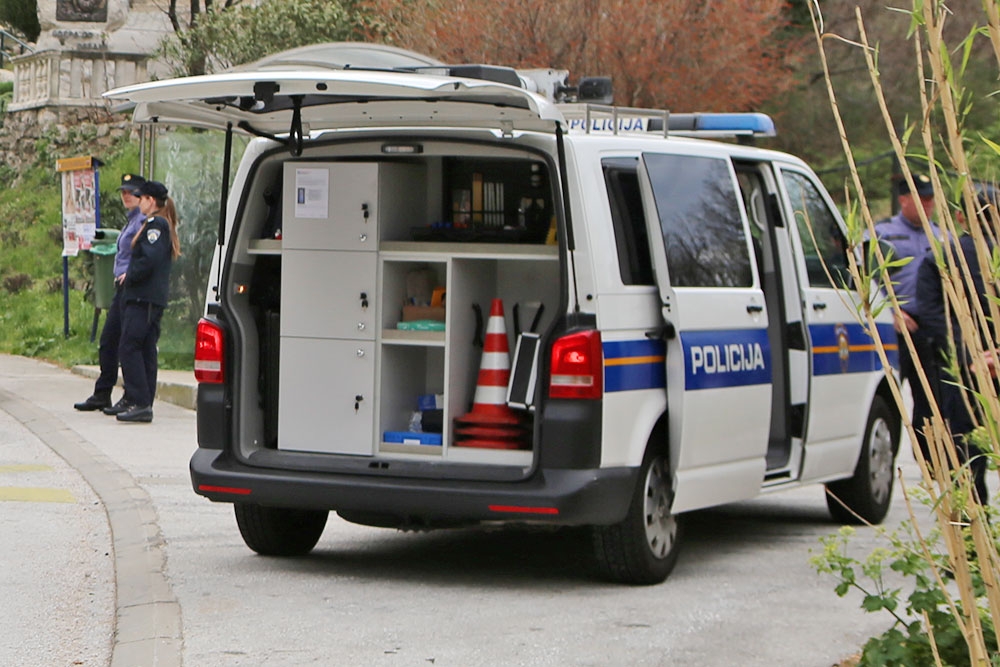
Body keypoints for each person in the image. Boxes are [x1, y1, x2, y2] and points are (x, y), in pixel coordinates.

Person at [916, 187, 996, 502]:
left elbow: (932, 317)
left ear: (961, 216)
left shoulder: (939, 259)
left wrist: (971, 357)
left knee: (967, 452)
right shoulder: (942, 259)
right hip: (978, 364)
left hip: (961, 370)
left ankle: (974, 535)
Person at [872, 173, 942, 457]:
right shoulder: (882, 233)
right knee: (888, 394)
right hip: (895, 327)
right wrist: (893, 312)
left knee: (931, 395)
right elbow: (867, 279)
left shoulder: (941, 235)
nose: (927, 205)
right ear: (903, 199)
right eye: (920, 199)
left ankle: (930, 458)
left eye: (930, 199)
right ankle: (885, 453)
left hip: (930, 327)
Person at [74, 173, 147, 413]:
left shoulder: (143, 221)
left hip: (132, 287)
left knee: (126, 343)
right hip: (121, 287)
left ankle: (130, 397)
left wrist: (131, 273)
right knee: (109, 341)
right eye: (124, 192)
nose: (126, 196)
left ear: (142, 196)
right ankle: (102, 393)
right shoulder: (131, 221)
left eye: (131, 192)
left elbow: (145, 255)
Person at [115, 180, 181, 423]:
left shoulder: (156, 225)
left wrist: (129, 276)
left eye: (141, 198)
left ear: (151, 201)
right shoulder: (158, 224)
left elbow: (149, 259)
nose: (138, 202)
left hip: (144, 297)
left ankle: (140, 400)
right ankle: (140, 400)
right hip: (148, 297)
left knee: (129, 346)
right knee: (143, 348)